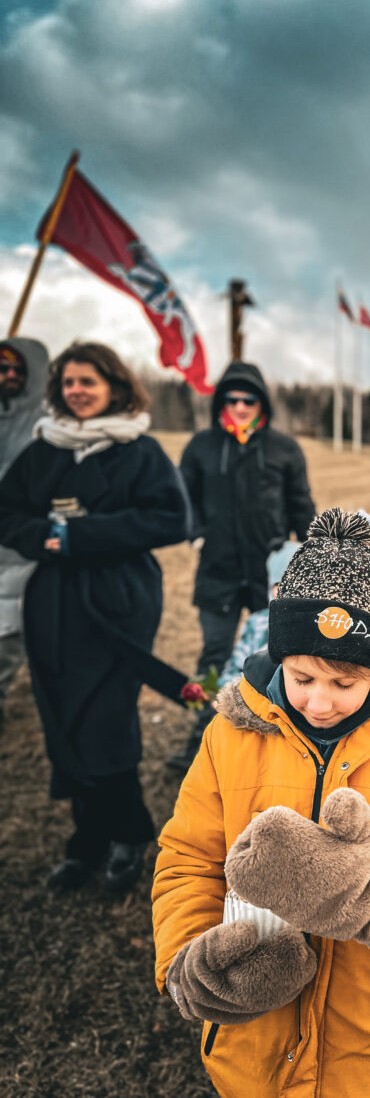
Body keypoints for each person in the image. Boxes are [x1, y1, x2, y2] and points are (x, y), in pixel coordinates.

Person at [152, 508, 370, 1098]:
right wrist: (189, 961)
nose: (319, 703)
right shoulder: (231, 735)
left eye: (344, 683)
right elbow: (188, 858)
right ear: (278, 658)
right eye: (301, 677)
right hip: (250, 1055)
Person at [0, 341, 189, 892]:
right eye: (68, 383)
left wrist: (79, 535)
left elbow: (172, 519)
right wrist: (43, 538)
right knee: (64, 717)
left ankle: (127, 834)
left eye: (89, 381)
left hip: (118, 598)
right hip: (52, 600)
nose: (76, 392)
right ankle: (86, 841)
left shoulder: (139, 449)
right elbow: (8, 513)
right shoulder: (45, 449)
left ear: (115, 386)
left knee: (106, 718)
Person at [180, 361, 315, 679]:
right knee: (215, 651)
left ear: (261, 403)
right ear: (221, 403)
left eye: (249, 400)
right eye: (232, 400)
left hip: (269, 569)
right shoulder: (201, 446)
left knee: (273, 652)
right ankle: (207, 722)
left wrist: (309, 552)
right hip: (218, 568)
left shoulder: (284, 449)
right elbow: (182, 499)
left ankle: (265, 721)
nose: (240, 407)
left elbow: (301, 505)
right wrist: (198, 535)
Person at [165, 540, 302, 774]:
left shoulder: (306, 627)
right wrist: (224, 691)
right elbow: (237, 662)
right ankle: (208, 759)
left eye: (295, 586)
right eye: (279, 585)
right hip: (248, 698)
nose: (285, 592)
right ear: (270, 587)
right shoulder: (257, 622)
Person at [0, 338, 49, 728]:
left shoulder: (43, 429)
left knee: (7, 637)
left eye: (19, 370)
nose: (10, 375)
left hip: (18, 553)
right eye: (2, 368)